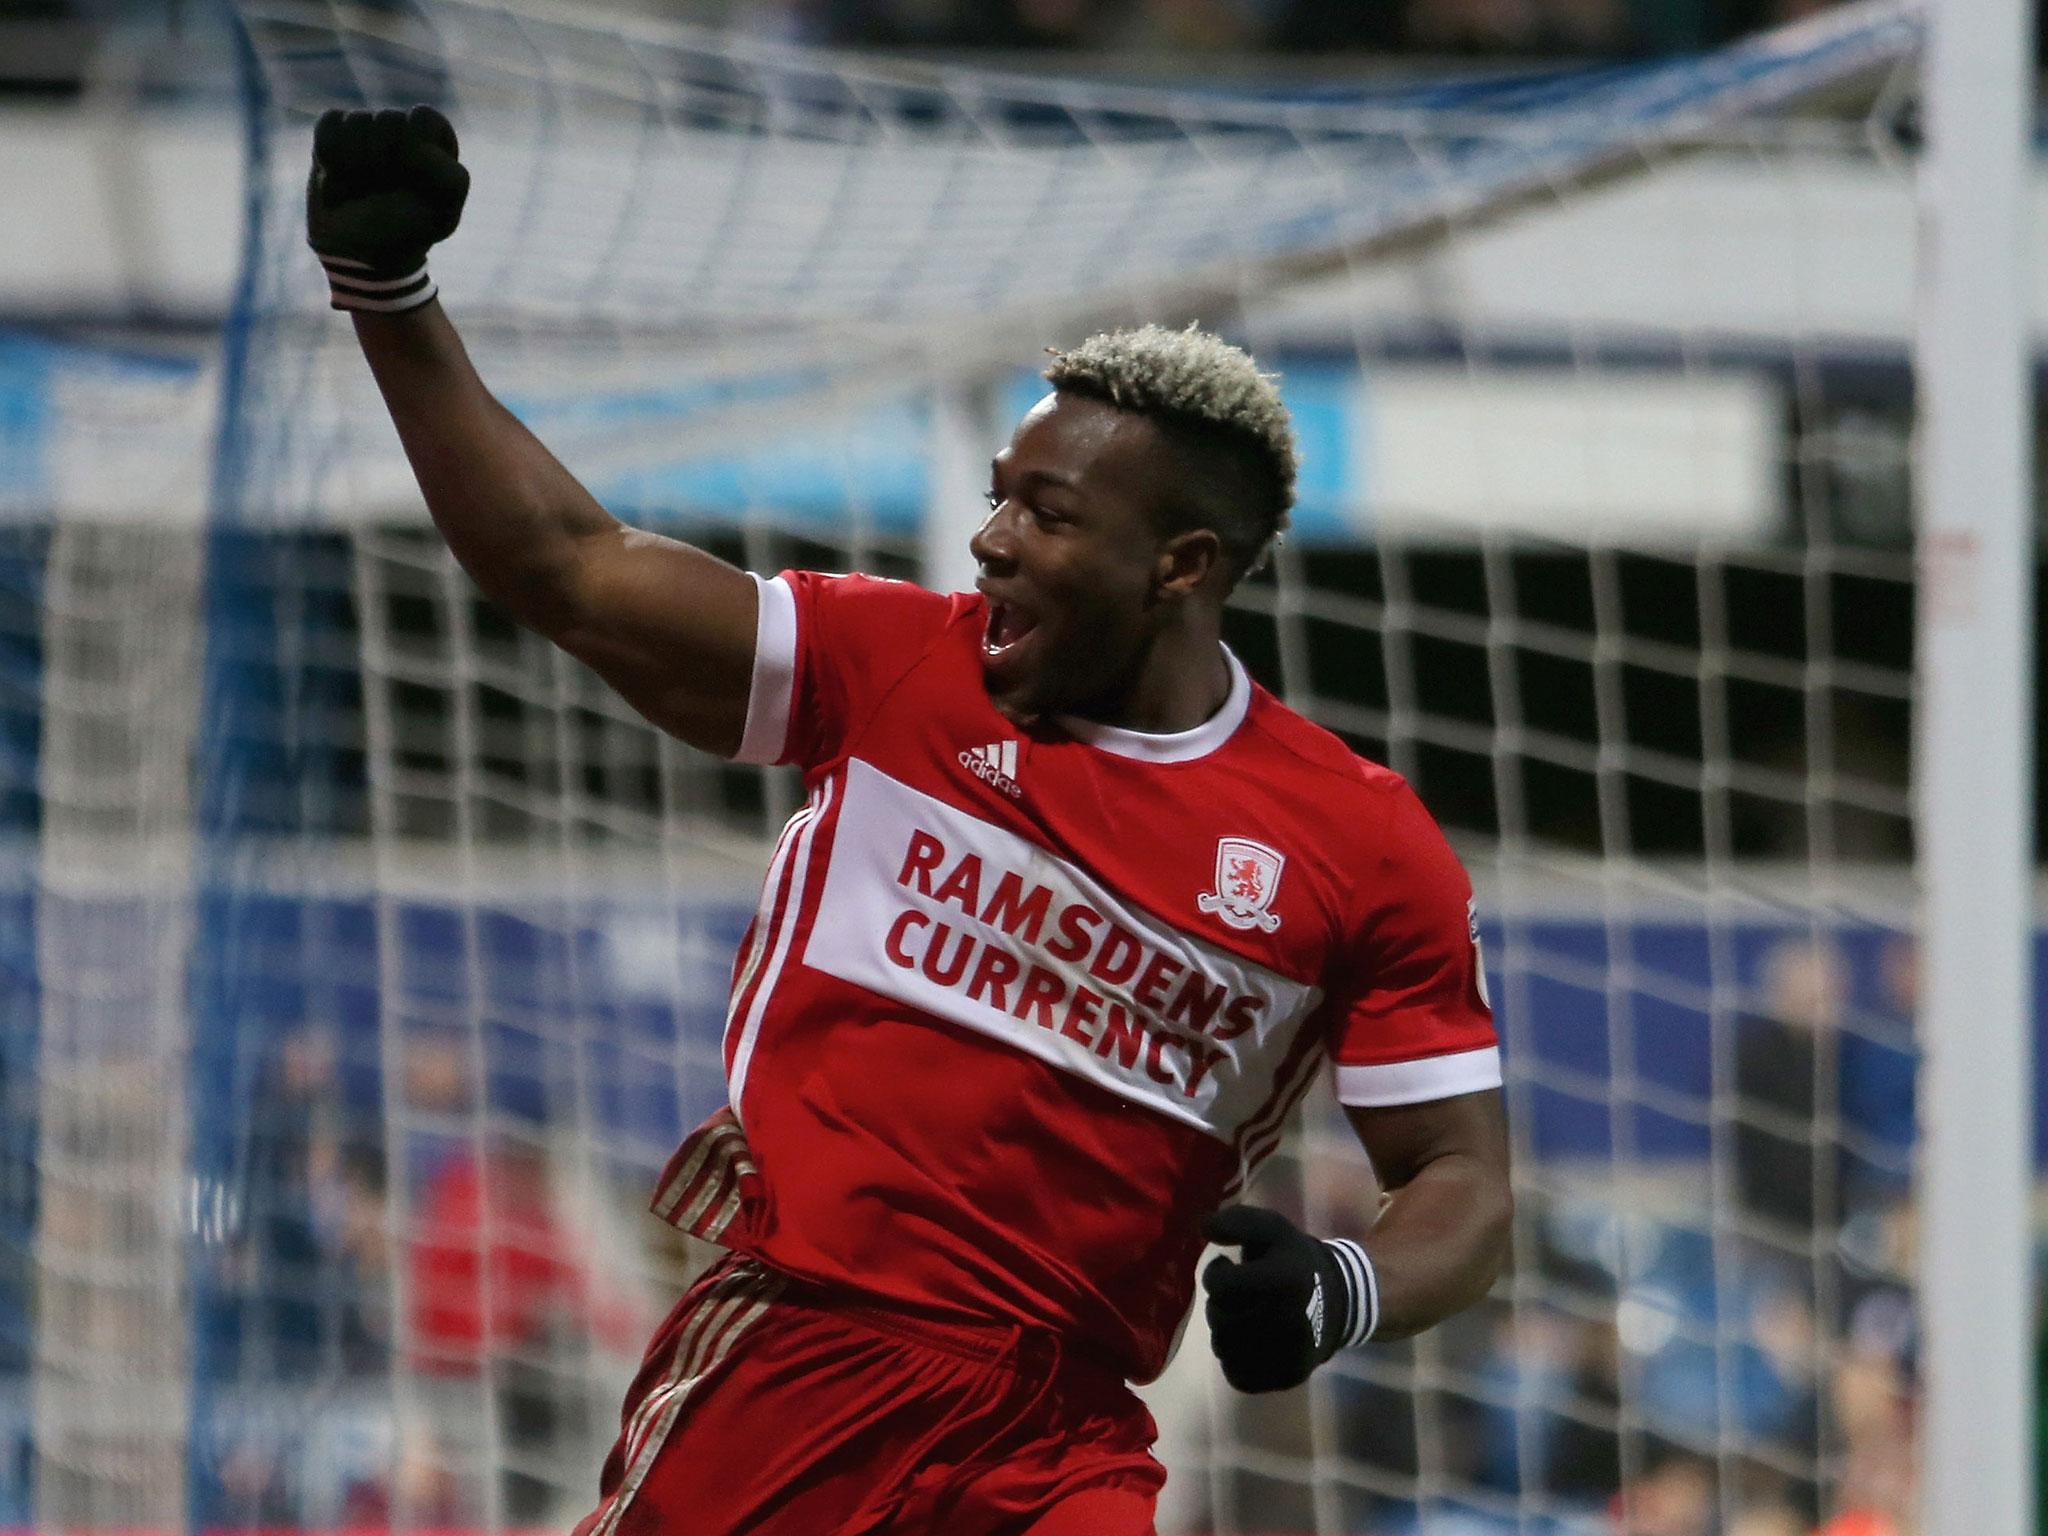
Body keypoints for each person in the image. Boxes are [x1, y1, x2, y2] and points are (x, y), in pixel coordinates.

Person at [305, 104, 1514, 1536]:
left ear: (1181, 565)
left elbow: (1461, 1179)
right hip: (798, 1363)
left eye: (1048, 515)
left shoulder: (1361, 845)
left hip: (1059, 1438)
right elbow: (569, 567)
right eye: (1000, 501)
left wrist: (1345, 1284)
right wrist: (392, 299)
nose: (992, 540)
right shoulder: (891, 664)